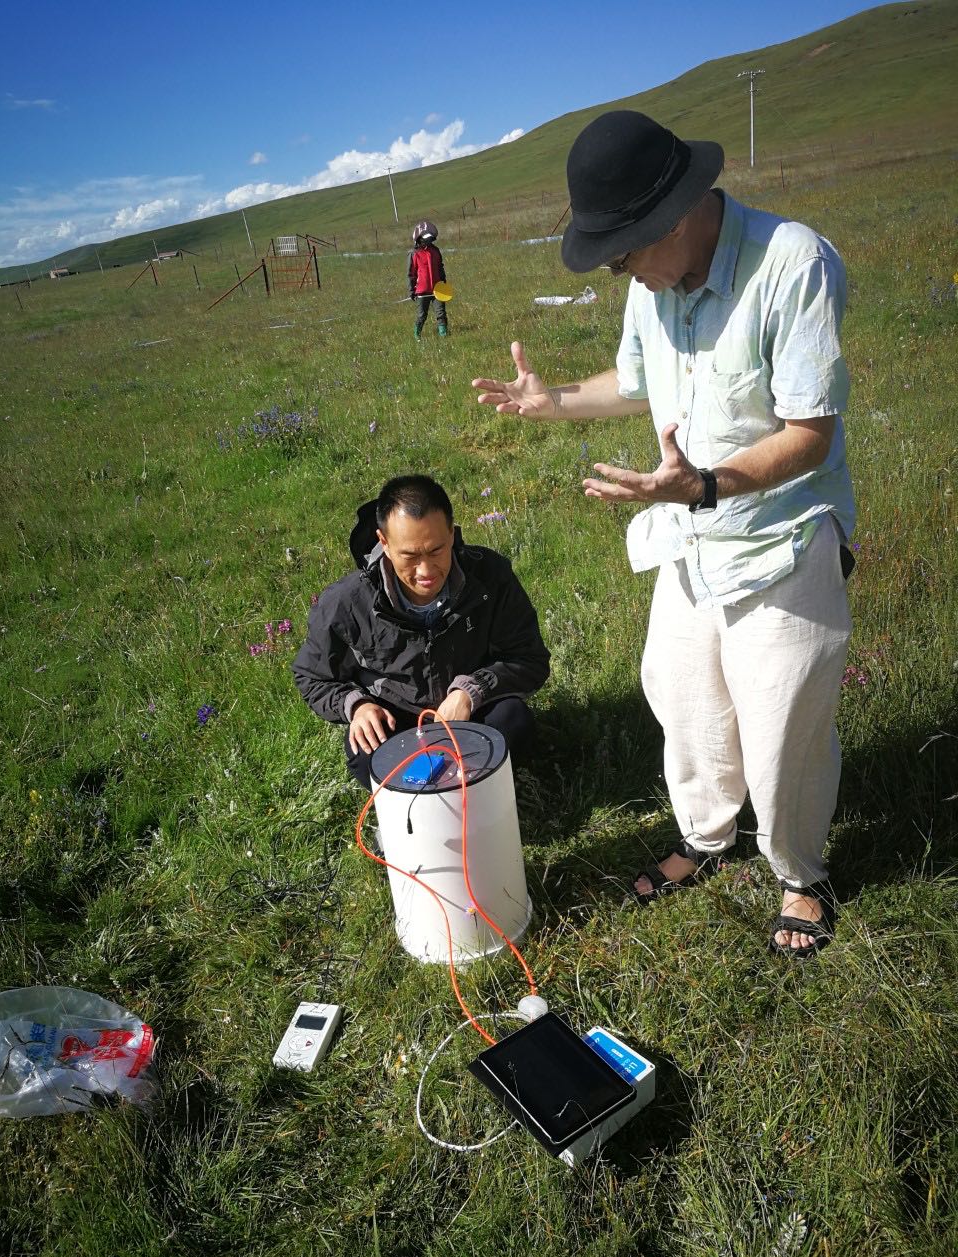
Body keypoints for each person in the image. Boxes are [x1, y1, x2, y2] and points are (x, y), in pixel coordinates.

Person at [472, 111, 855, 960]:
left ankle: (799, 871)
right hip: (692, 540)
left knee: (783, 722)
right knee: (682, 699)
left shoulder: (793, 264)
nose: (620, 272)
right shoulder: (653, 286)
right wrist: (554, 400)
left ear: (674, 219)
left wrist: (710, 484)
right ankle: (709, 837)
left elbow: (811, 432)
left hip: (781, 539)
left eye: (623, 252)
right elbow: (636, 379)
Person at [292, 474, 549, 790]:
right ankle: (416, 807)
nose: (426, 571)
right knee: (364, 751)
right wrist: (357, 705)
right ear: (384, 543)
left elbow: (530, 658)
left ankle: (475, 791)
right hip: (398, 722)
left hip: (470, 714)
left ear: (452, 533)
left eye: (437, 550)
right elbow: (312, 677)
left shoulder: (490, 577)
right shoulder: (345, 603)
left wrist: (470, 692)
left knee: (513, 720)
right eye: (410, 556)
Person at [408, 220, 449, 340]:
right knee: (422, 315)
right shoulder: (414, 254)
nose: (428, 241)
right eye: (426, 238)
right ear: (419, 239)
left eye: (430, 238)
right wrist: (411, 290)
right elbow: (411, 274)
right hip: (422, 291)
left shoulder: (436, 251)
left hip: (437, 289)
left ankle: (444, 335)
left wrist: (443, 281)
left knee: (441, 313)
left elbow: (440, 266)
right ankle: (417, 335)